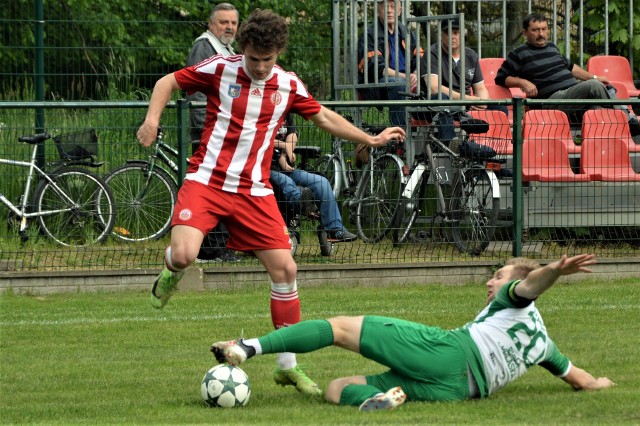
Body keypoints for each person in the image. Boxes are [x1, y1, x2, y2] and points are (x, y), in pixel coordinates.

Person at [136, 8, 405, 396]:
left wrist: (370, 139)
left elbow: (324, 117)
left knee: (286, 270)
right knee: (183, 255)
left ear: (278, 52)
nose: (260, 67)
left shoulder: (288, 84)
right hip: (207, 181)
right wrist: (152, 120)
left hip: (254, 191)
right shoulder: (219, 68)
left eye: (268, 59)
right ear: (242, 48)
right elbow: (166, 83)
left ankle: (288, 367)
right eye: (253, 58)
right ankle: (169, 272)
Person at [211, 254, 615, 411]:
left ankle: (249, 346)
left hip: (448, 352)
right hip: (460, 390)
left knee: (338, 328)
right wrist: (600, 383)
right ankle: (389, 398)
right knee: (335, 389)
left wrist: (555, 272)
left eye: (497, 276)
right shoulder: (544, 344)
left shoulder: (514, 297)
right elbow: (579, 379)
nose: (490, 283)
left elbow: (532, 285)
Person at [495, 12, 640, 135]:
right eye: (535, 30)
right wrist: (522, 82)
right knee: (593, 86)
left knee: (597, 110)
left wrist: (596, 77)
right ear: (525, 32)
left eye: (544, 29)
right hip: (551, 101)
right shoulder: (519, 53)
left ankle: (593, 159)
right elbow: (501, 78)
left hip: (572, 97)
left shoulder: (552, 47)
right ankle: (628, 121)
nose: (541, 34)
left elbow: (572, 68)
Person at [186, 3, 240, 263]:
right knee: (210, 190)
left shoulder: (226, 49)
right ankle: (212, 249)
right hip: (208, 135)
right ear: (211, 24)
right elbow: (195, 91)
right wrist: (202, 134)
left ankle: (222, 246)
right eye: (223, 22)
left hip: (224, 134)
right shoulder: (204, 47)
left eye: (233, 23)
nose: (229, 27)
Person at [270, 114, 357, 243]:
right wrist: (285, 146)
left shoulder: (285, 112)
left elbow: (292, 134)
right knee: (286, 182)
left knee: (321, 182)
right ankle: (301, 204)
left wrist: (284, 155)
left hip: (287, 168)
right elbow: (260, 138)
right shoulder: (258, 110)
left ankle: (335, 230)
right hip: (266, 169)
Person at [424, 18, 510, 143]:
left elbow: (480, 88)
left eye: (455, 33)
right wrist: (469, 100)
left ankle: (493, 144)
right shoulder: (432, 53)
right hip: (442, 105)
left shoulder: (471, 55)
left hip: (465, 106)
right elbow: (434, 88)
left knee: (500, 108)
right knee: (440, 98)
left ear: (462, 34)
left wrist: (482, 102)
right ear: (441, 35)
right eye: (447, 33)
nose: (452, 37)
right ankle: (452, 143)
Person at [357, 0, 422, 126]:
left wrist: (416, 73)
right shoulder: (370, 34)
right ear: (378, 10)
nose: (389, 10)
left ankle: (439, 139)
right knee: (398, 84)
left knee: (431, 84)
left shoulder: (407, 32)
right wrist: (405, 77)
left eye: (393, 7)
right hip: (377, 83)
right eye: (385, 7)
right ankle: (399, 138)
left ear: (400, 10)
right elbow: (375, 67)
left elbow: (420, 58)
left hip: (407, 79)